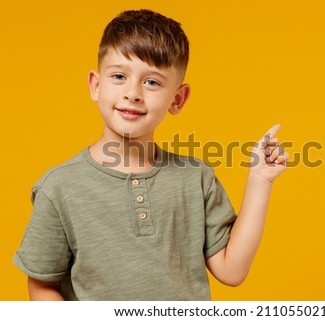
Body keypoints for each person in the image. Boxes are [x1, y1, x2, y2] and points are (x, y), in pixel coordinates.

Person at [13, 9, 289, 300]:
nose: (133, 93)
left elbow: (231, 271)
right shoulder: (59, 187)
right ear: (96, 85)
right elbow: (42, 284)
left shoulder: (196, 178)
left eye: (152, 82)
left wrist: (260, 180)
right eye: (119, 76)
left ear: (177, 99)